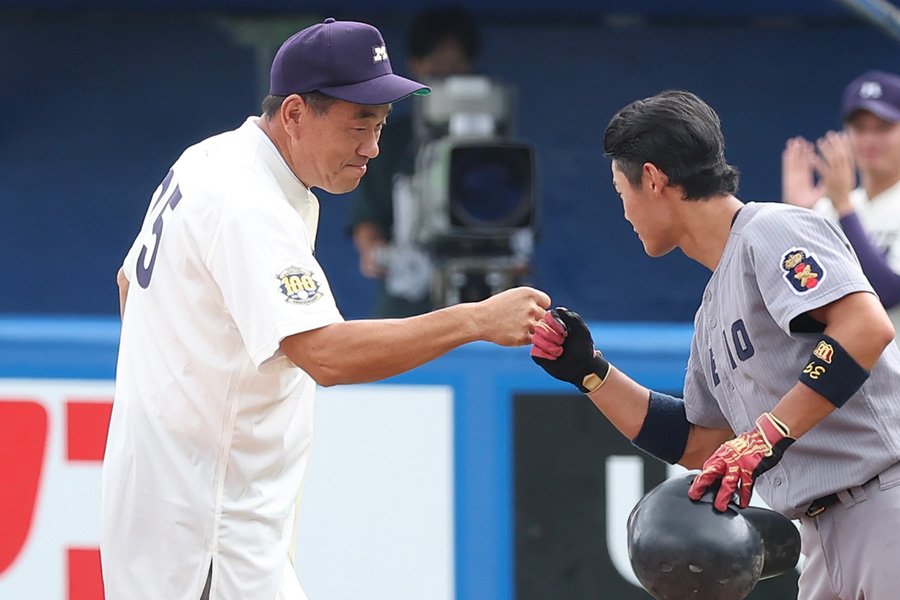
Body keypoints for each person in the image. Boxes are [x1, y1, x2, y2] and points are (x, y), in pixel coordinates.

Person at [100, 17, 550, 600]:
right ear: (294, 113)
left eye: (380, 125)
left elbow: (128, 285)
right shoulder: (248, 202)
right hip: (206, 532)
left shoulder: (211, 157)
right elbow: (326, 356)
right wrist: (476, 319)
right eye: (358, 125)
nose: (372, 147)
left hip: (182, 507)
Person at [530, 90, 900, 599]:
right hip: (824, 535)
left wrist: (766, 434)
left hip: (884, 503)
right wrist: (589, 372)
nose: (625, 212)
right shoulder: (711, 309)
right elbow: (701, 443)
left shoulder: (771, 228)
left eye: (621, 191)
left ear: (653, 179)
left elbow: (865, 326)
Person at [349, 5, 482, 318]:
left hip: (481, 290)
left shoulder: (493, 143)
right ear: (416, 65)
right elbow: (366, 217)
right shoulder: (390, 140)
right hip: (410, 294)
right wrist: (376, 251)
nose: (448, 81)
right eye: (438, 71)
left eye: (457, 69)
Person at [783, 70, 900, 343]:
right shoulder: (826, 209)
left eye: (883, 128)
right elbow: (797, 302)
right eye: (860, 128)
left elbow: (889, 294)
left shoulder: (840, 206)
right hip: (846, 366)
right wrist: (798, 219)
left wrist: (844, 208)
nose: (869, 139)